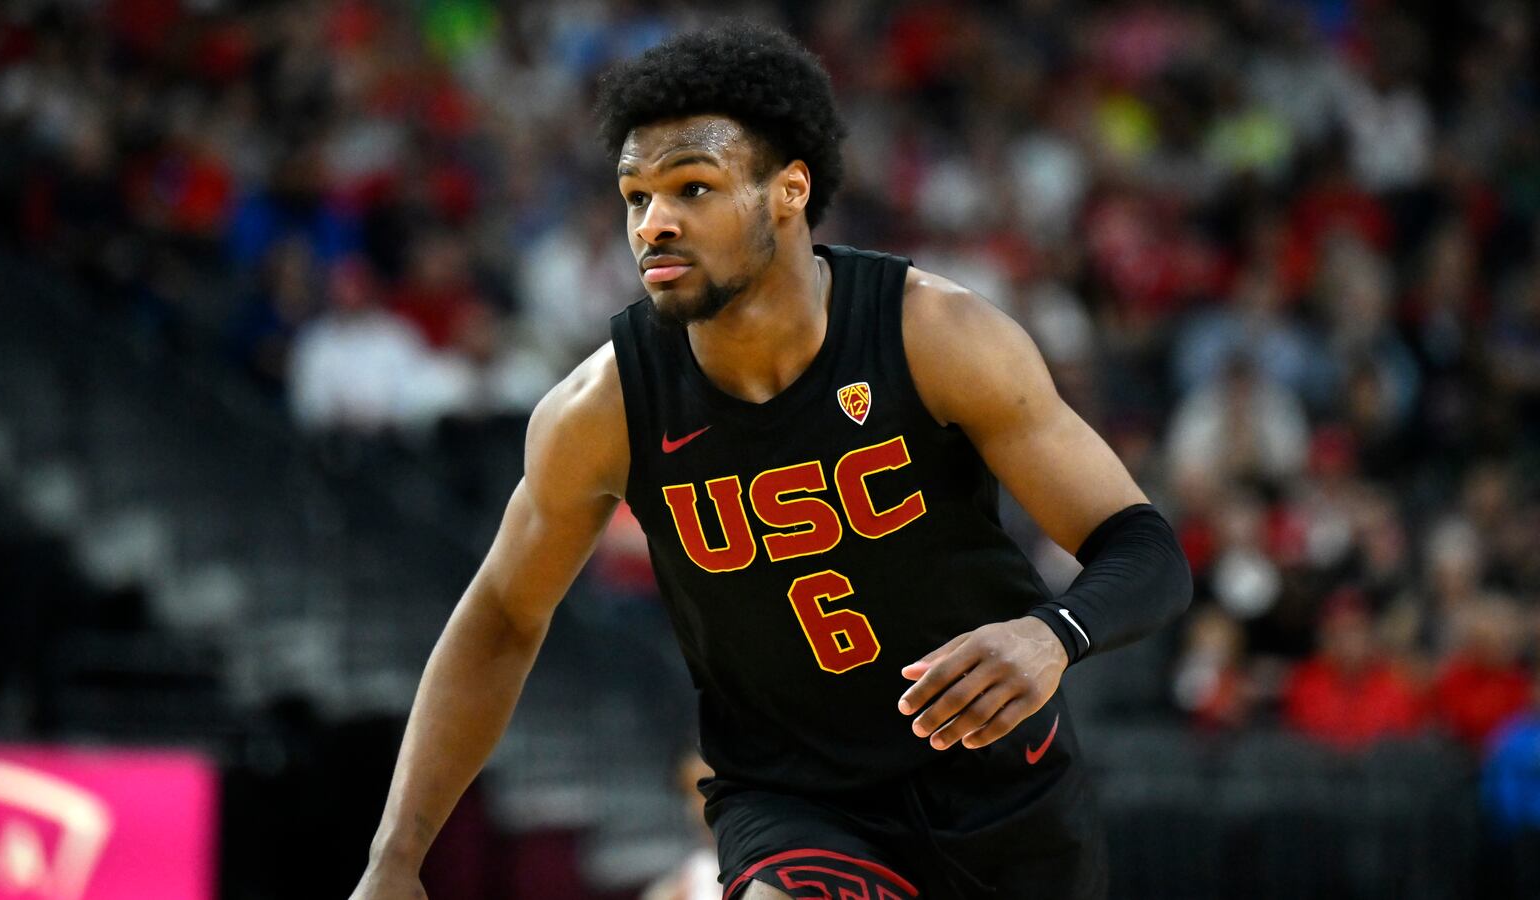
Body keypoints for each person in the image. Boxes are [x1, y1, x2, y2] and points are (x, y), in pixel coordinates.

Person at [349, 22, 1191, 900]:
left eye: (694, 188)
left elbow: (1142, 546)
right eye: (636, 197)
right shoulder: (602, 409)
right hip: (796, 801)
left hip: (1003, 799)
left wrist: (1051, 635)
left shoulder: (934, 335)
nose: (655, 224)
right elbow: (499, 620)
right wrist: (395, 857)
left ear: (788, 190)